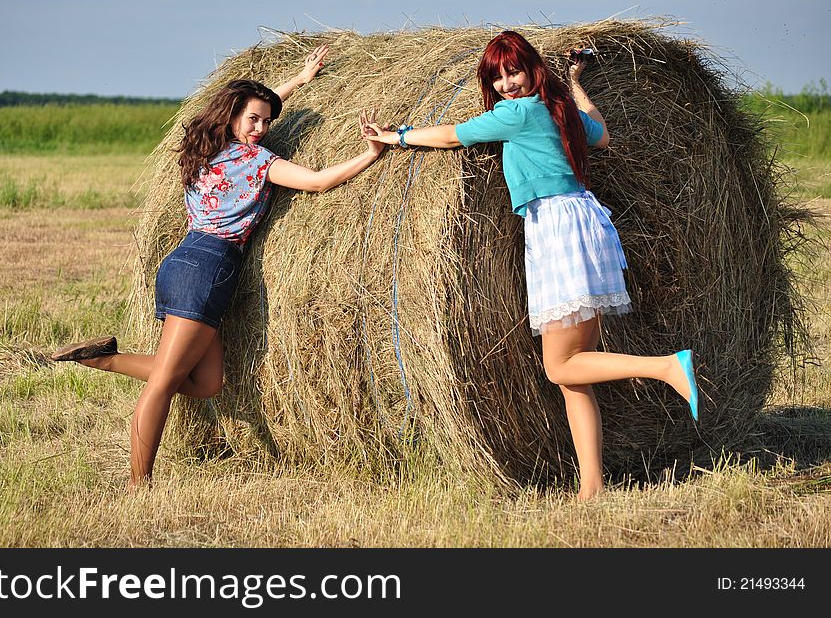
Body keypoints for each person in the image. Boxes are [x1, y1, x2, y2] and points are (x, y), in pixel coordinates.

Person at [365, 31, 699, 501]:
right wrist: (576, 83)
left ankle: (667, 367)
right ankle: (592, 489)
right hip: (584, 223)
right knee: (576, 376)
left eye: (514, 71)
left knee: (559, 367)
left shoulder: (517, 114)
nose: (507, 85)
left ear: (532, 69)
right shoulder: (557, 110)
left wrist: (395, 136)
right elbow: (600, 133)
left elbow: (452, 135)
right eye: (497, 77)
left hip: (559, 231)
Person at [51, 46, 388, 490]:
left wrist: (299, 81)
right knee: (165, 384)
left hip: (181, 263)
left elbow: (254, 107)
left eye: (268, 121)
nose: (262, 128)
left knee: (207, 383)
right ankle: (138, 484)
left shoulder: (209, 150)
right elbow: (320, 181)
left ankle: (102, 358)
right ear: (232, 117)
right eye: (254, 120)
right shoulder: (259, 162)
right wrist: (372, 154)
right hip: (208, 267)